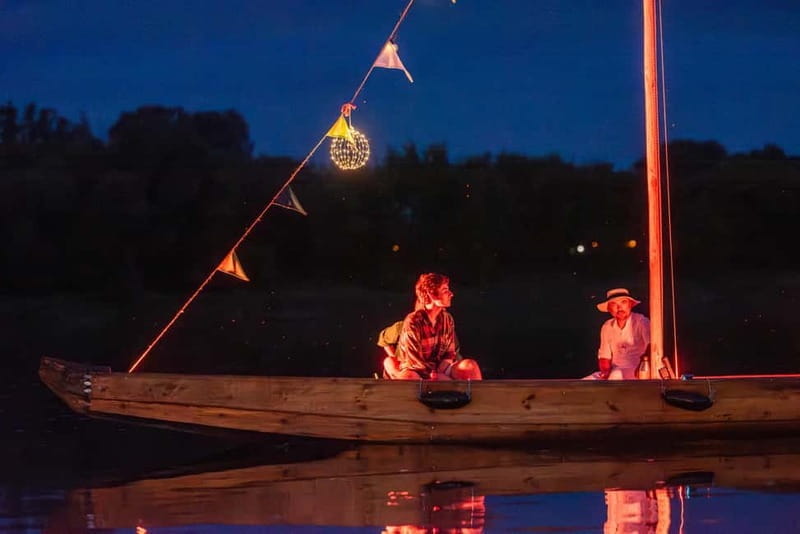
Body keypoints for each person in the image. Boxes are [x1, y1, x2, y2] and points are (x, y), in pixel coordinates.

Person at [382, 273, 482, 380]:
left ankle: (479, 396)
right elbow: (415, 363)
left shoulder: (447, 319)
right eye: (445, 290)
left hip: (439, 370)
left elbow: (449, 353)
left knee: (469, 365)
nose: (451, 294)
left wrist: (439, 374)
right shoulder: (413, 322)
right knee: (408, 377)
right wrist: (435, 377)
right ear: (431, 294)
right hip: (417, 371)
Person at [588, 287, 650, 380]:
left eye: (623, 302)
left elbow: (652, 348)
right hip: (614, 371)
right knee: (585, 382)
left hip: (638, 371)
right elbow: (605, 357)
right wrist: (605, 374)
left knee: (616, 375)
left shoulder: (642, 322)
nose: (619, 307)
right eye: (613, 304)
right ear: (609, 309)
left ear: (630, 304)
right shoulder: (607, 326)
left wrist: (642, 369)